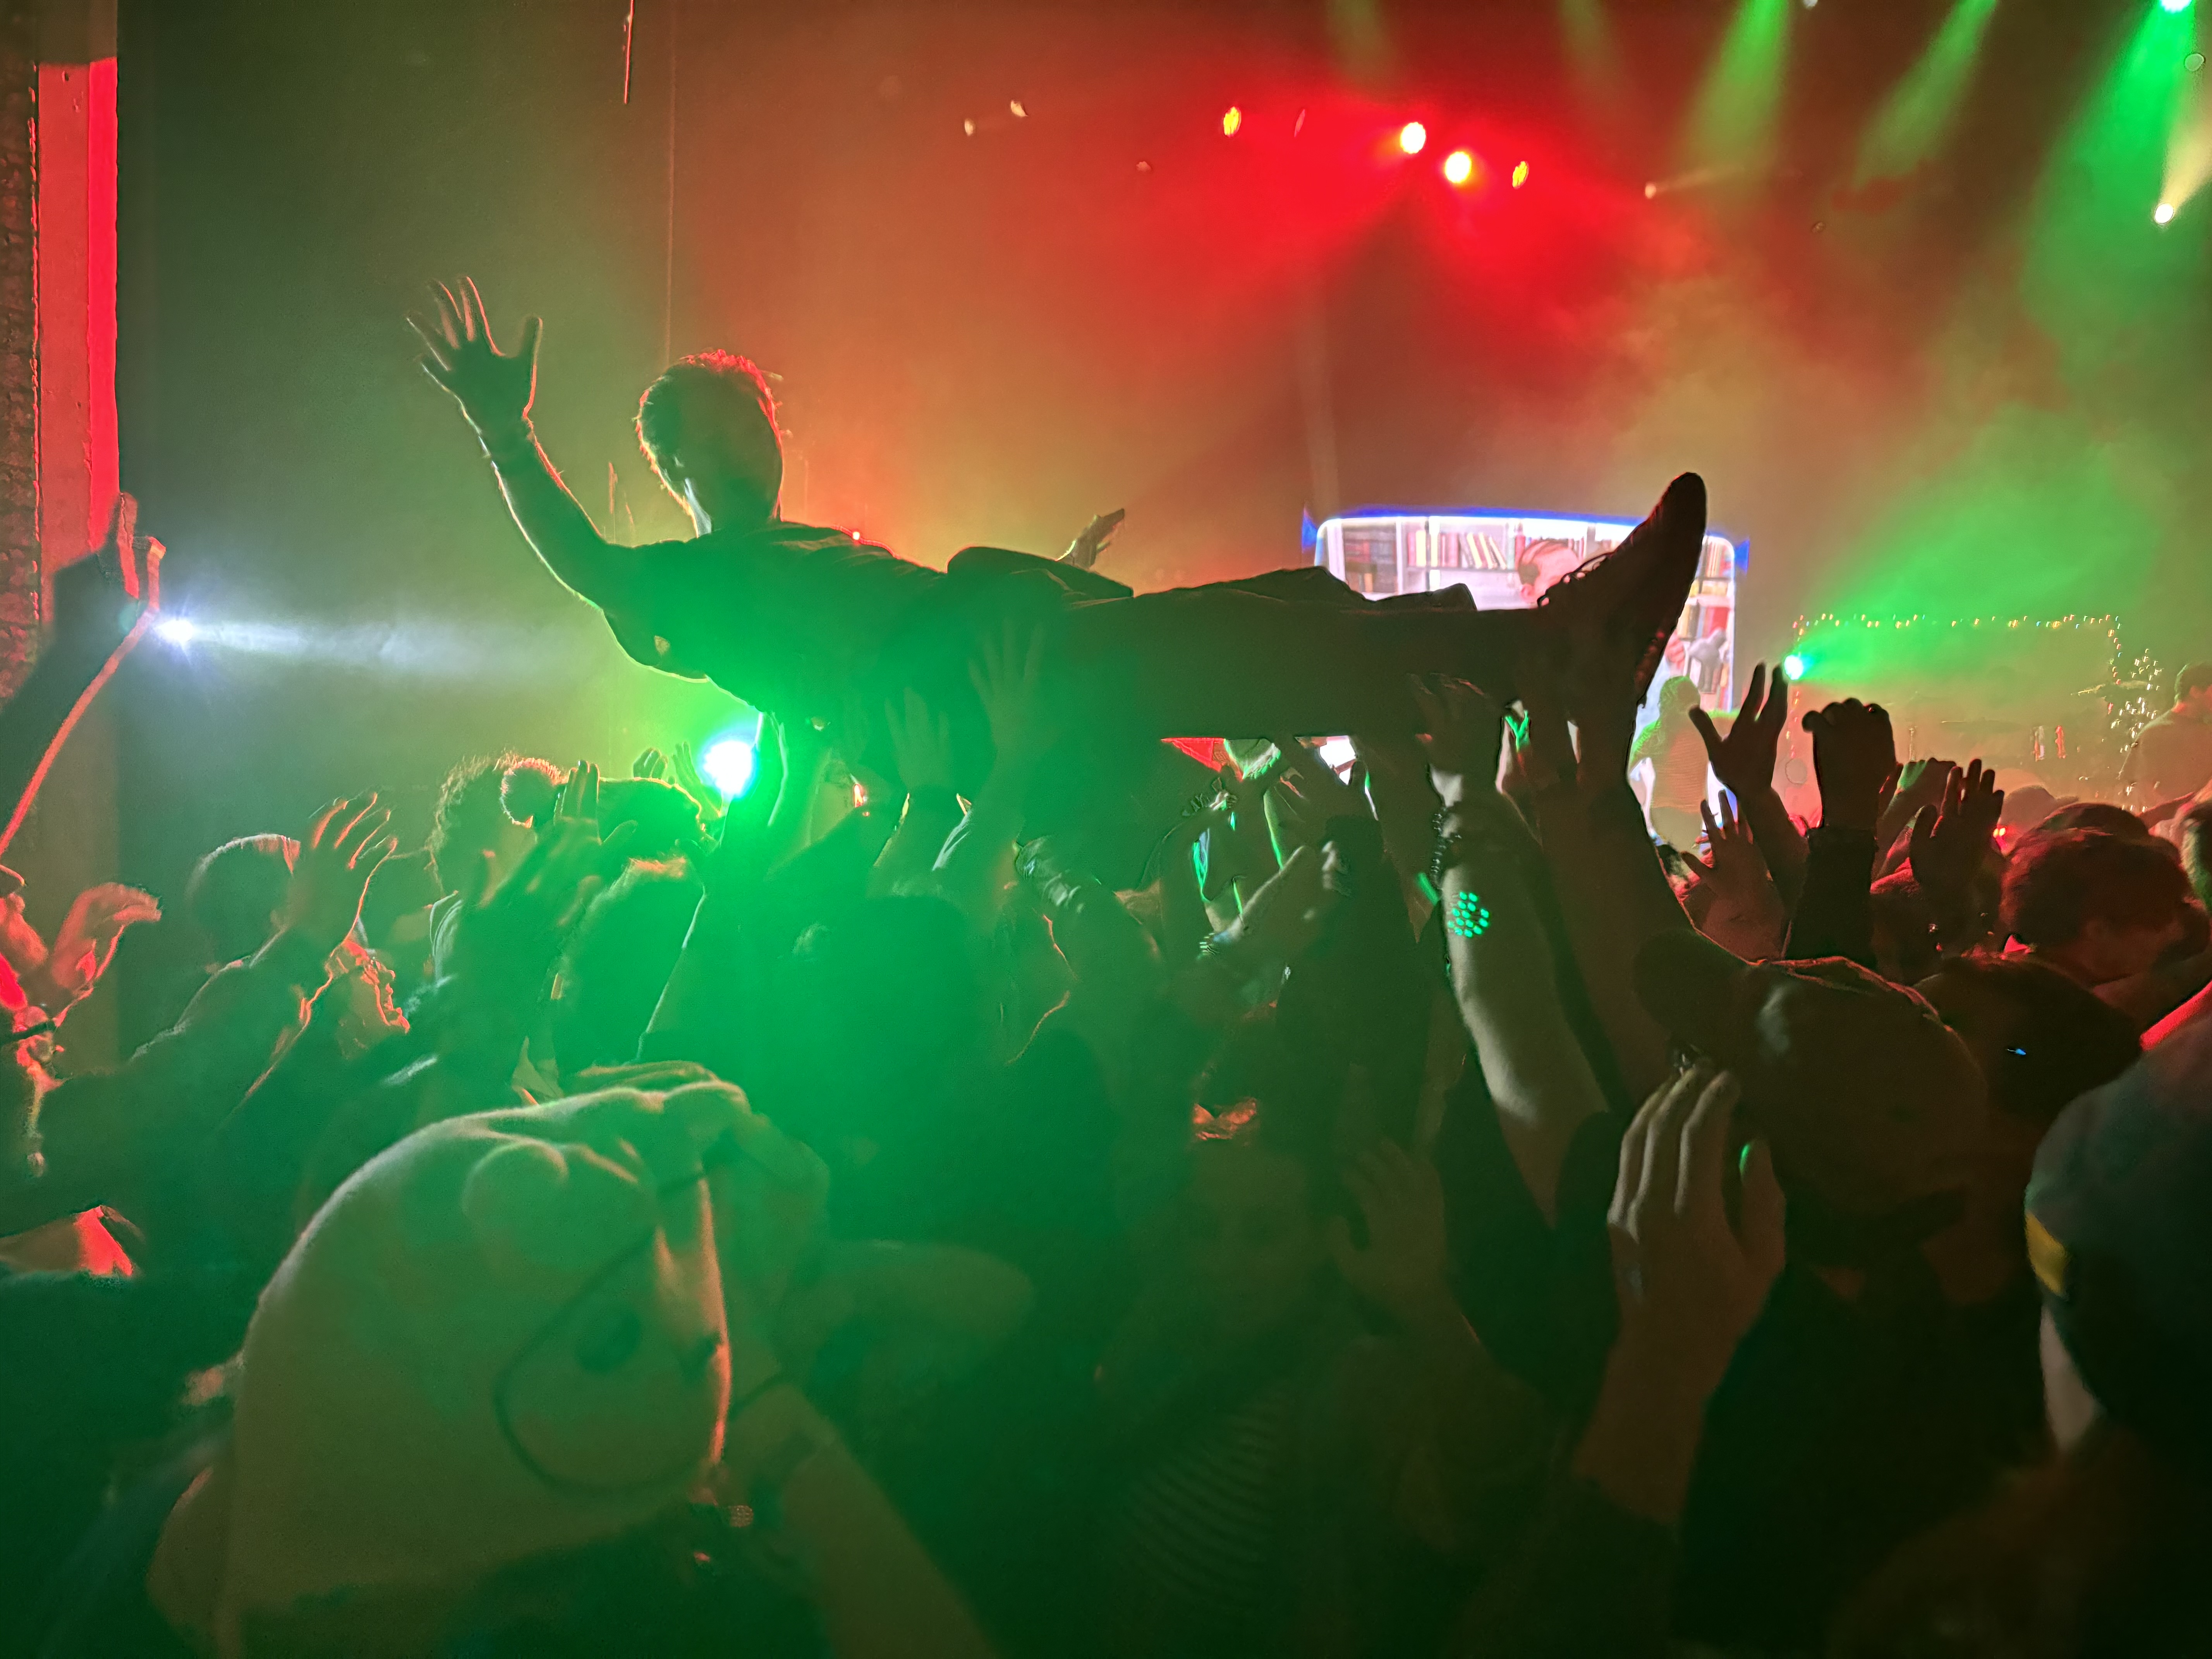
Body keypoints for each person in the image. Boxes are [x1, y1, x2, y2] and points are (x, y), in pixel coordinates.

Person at [408, 278, 1708, 788]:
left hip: (1015, 650)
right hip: (986, 700)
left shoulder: (814, 546)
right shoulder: (692, 585)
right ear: (675, 460)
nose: (759, 441)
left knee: (1295, 611)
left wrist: (1064, 578)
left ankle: (1524, 666)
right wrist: (502, 432)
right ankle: (1551, 651)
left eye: (761, 417)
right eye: (728, 428)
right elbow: (584, 562)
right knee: (1238, 647)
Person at [1628, 675, 1711, 849]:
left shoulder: (1655, 733)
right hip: (1690, 815)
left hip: (1665, 813)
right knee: (1684, 858)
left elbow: (1624, 767)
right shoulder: (1704, 730)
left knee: (1672, 857)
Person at [2119, 660, 2212, 804]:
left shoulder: (2208, 730)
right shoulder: (2156, 733)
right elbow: (2143, 787)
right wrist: (2179, 814)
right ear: (2195, 692)